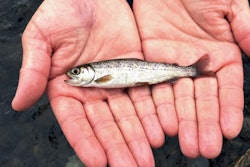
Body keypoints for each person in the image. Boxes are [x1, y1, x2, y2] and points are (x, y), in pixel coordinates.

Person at [11, 0, 250, 166]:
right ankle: (191, 71)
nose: (74, 76)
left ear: (87, 72)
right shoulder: (96, 78)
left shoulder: (99, 78)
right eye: (76, 72)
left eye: (77, 72)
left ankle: (192, 71)